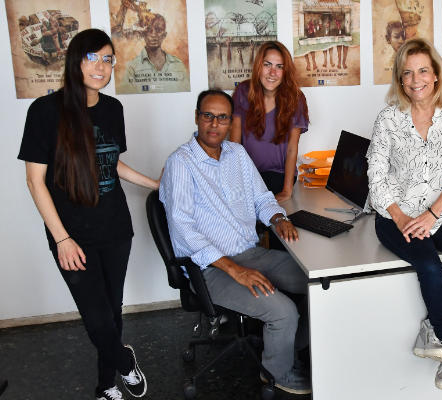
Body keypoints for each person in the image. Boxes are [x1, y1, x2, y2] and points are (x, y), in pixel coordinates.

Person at [18, 29, 158, 400]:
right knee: (95, 315)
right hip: (71, 233)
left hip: (115, 227)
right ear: (75, 61)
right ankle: (124, 361)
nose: (101, 66)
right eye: (92, 58)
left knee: (111, 311)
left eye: (108, 59)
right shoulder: (45, 111)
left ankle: (105, 385)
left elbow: (111, 162)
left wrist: (156, 184)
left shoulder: (113, 110)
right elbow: (35, 181)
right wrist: (62, 238)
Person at [159, 90, 310, 395]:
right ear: (197, 117)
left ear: (231, 122)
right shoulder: (181, 163)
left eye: (222, 117)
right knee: (283, 311)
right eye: (208, 116)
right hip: (211, 269)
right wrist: (235, 270)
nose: (214, 124)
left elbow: (262, 198)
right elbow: (184, 231)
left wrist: (278, 218)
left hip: (250, 253)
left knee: (316, 283)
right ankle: (276, 372)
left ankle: (284, 348)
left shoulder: (237, 154)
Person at [366, 38, 442, 390]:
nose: (415, 80)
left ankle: (431, 326)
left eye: (422, 71)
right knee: (429, 264)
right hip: (394, 215)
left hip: (440, 213)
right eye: (407, 73)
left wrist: (433, 214)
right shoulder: (389, 118)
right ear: (400, 79)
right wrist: (401, 217)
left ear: (435, 74)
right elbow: (375, 175)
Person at [231, 41, 309, 202]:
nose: (272, 72)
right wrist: (235, 184)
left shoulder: (296, 98)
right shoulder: (242, 92)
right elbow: (234, 145)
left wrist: (287, 191)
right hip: (249, 175)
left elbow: (292, 149)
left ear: (285, 72)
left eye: (279, 67)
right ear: (258, 66)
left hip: (279, 175)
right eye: (267, 65)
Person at [114, 9, 189, 94]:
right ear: (143, 34)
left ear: (164, 35)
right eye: (149, 30)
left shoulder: (178, 65)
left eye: (158, 30)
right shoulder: (132, 68)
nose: (153, 35)